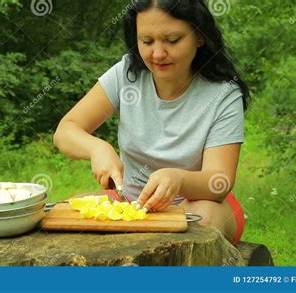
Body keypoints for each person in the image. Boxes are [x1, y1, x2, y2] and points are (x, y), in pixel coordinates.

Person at [53, 0, 250, 245]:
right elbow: (66, 130)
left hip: (201, 204)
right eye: (146, 41)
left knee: (201, 218)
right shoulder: (127, 74)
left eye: (172, 40)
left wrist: (178, 179)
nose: (157, 54)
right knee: (73, 213)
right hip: (132, 204)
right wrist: (97, 148)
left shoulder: (223, 94)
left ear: (200, 36)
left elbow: (218, 182)